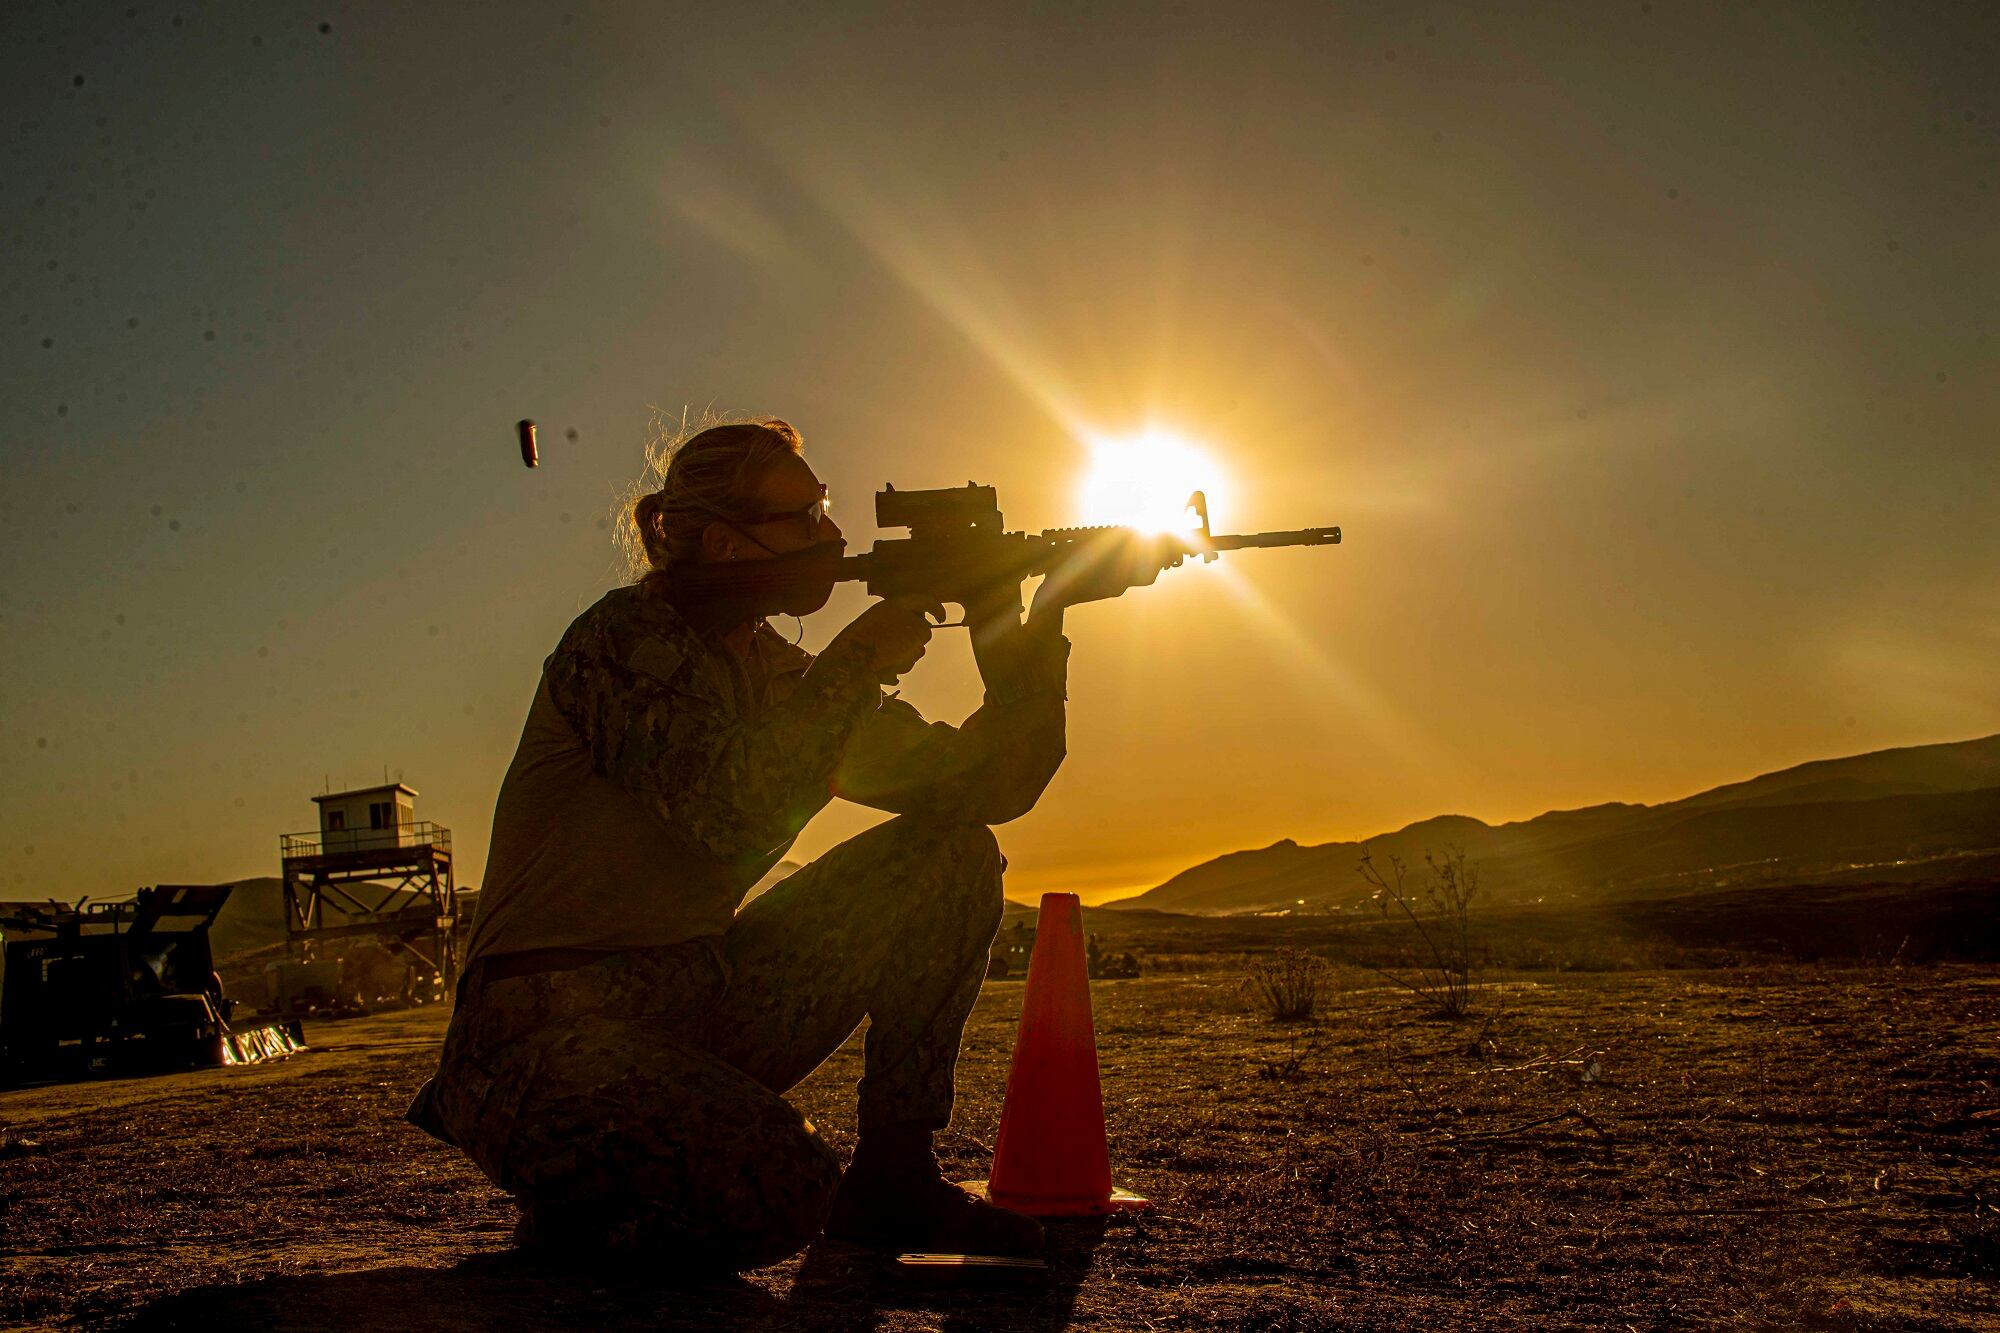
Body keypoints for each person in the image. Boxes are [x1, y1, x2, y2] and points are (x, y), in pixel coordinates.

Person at [408, 417, 1168, 1269]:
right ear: (726, 544)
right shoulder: (623, 643)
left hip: (690, 1003)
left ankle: (893, 1179)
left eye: (827, 508)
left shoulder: (780, 672)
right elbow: (726, 808)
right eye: (804, 515)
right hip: (536, 1046)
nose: (833, 536)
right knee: (785, 1190)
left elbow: (987, 786)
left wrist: (1029, 612)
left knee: (948, 855)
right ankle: (583, 1224)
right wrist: (858, 661)